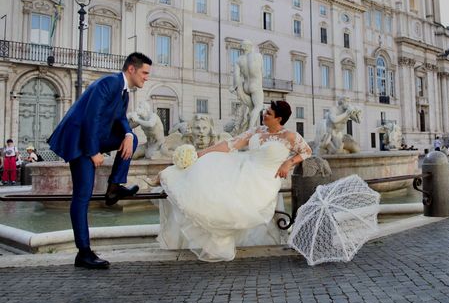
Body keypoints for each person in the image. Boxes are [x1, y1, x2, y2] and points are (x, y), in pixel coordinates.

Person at [158, 100, 312, 262]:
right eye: (265, 111)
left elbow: (307, 151)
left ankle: (219, 235)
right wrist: (200, 153)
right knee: (208, 167)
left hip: (264, 179)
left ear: (279, 118)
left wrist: (289, 162)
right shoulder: (258, 130)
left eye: (268, 113)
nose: (264, 115)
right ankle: (164, 177)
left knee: (232, 205)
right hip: (243, 166)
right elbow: (230, 144)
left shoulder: (290, 136)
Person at [48, 52, 152, 269]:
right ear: (131, 69)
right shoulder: (109, 83)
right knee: (82, 195)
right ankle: (83, 253)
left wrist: (127, 134)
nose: (146, 77)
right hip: (79, 141)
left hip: (94, 137)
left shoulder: (123, 92)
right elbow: (91, 117)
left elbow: (121, 119)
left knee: (130, 139)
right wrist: (93, 151)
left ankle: (114, 187)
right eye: (144, 72)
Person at [229, 40, 264, 133]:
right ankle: (250, 130)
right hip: (255, 85)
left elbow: (236, 76)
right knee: (259, 107)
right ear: (250, 46)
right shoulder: (258, 56)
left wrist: (234, 87)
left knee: (252, 109)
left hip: (245, 86)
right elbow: (262, 71)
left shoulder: (238, 60)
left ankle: (248, 127)